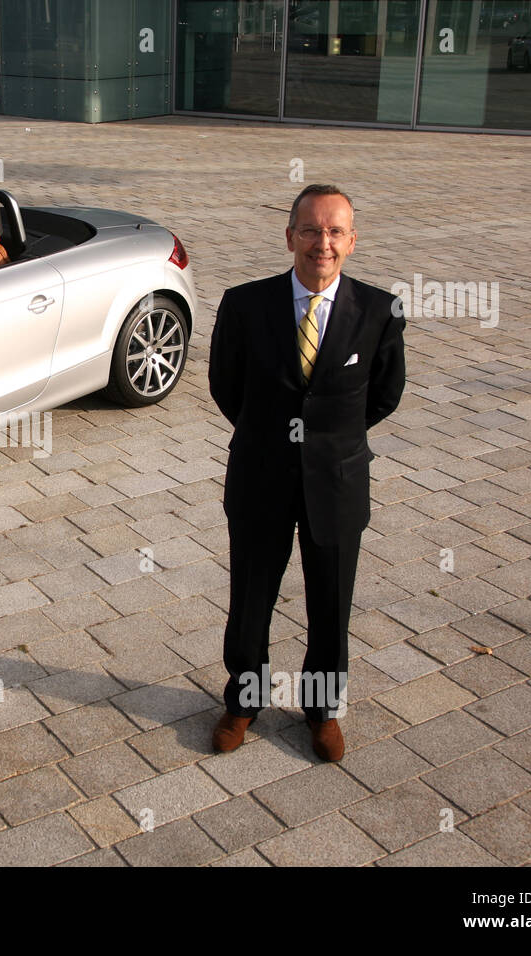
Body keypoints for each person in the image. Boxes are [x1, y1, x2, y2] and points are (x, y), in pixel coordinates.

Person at [207, 184, 406, 762]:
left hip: (337, 483)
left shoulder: (378, 310)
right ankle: (244, 703)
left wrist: (328, 444)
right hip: (260, 479)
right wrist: (273, 437)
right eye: (312, 230)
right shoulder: (245, 304)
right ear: (290, 235)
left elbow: (385, 395)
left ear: (352, 240)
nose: (324, 243)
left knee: (330, 603)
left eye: (335, 231)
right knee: (250, 599)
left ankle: (322, 712)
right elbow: (228, 388)